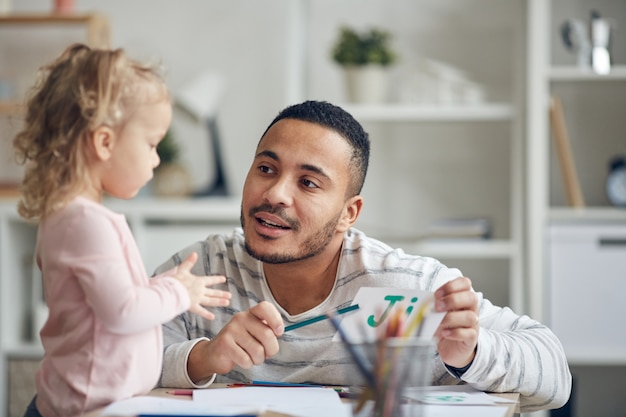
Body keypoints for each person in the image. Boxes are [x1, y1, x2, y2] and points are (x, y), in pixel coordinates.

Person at [155, 100, 572, 412]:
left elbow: (555, 374)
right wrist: (204, 357)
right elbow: (109, 361)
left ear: (348, 214)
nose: (275, 194)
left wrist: (472, 352)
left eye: (308, 183)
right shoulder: (202, 270)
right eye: (266, 169)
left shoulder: (403, 284)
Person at [13, 43, 232, 417]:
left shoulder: (69, 217)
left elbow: (102, 306)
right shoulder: (85, 223)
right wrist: (177, 290)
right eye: (150, 144)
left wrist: (158, 286)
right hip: (86, 408)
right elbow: (123, 311)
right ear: (104, 142)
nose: (157, 158)